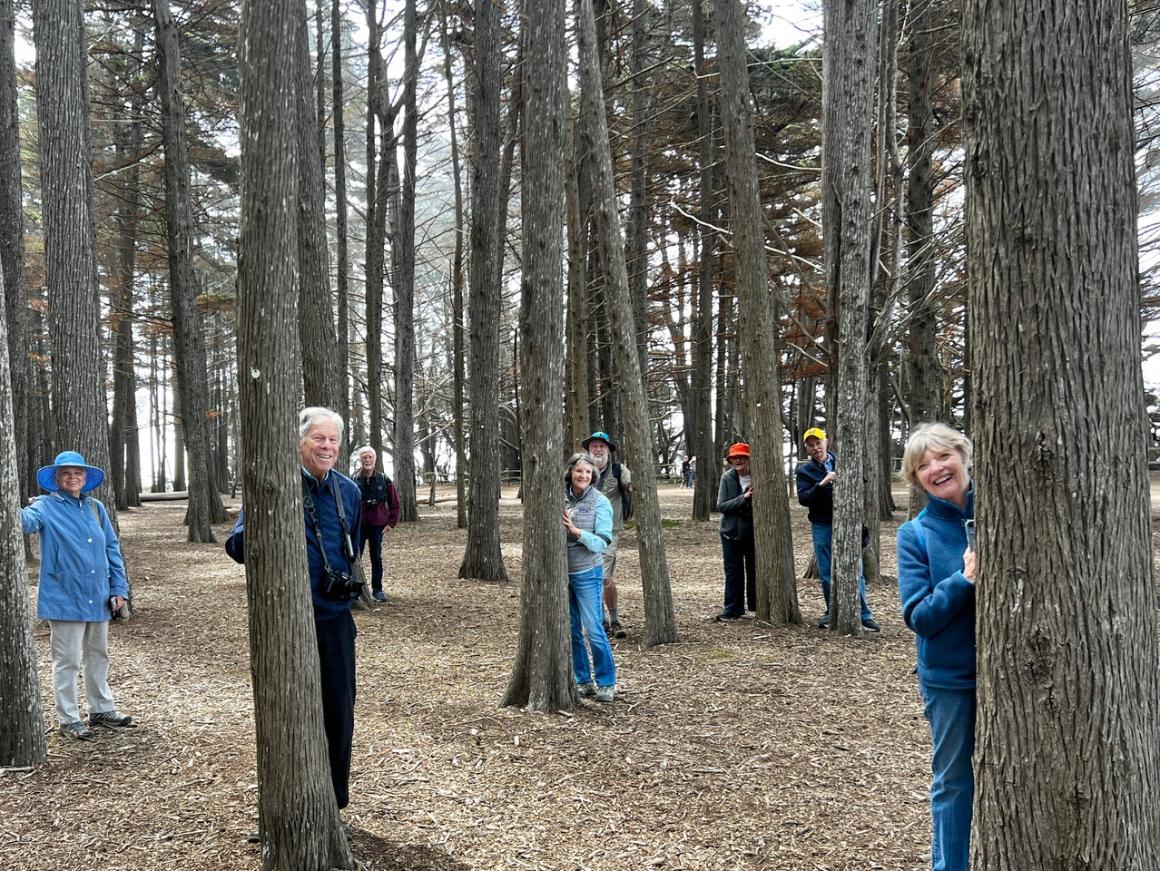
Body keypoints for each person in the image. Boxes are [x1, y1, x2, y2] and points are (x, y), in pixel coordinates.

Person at [226, 407, 363, 821]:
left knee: (339, 714)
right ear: (300, 442)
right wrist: (264, 525)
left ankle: (332, 806)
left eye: (333, 440)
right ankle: (283, 808)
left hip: (335, 621)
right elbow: (237, 549)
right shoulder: (274, 485)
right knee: (287, 715)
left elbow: (349, 548)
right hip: (287, 623)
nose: (327, 446)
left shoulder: (349, 492)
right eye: (318, 439)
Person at [896, 423, 976, 871]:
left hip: (1019, 674)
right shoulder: (916, 534)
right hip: (949, 680)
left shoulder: (1006, 511)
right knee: (954, 781)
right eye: (922, 465)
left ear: (964, 456)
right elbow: (919, 617)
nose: (935, 469)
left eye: (942, 456)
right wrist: (962, 581)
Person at [21, 450, 134, 740]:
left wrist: (119, 589)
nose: (73, 477)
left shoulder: (96, 508)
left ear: (85, 478)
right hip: (63, 596)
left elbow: (112, 548)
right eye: (66, 473)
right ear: (56, 478)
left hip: (98, 594)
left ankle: (101, 710)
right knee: (68, 660)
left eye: (78, 473)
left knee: (98, 655)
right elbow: (24, 523)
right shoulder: (45, 506)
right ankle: (69, 718)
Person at [795, 426, 879, 632]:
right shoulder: (804, 472)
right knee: (826, 572)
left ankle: (863, 614)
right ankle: (832, 611)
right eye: (811, 445)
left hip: (849, 523)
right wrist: (822, 484)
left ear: (827, 441)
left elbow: (863, 484)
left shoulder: (845, 462)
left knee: (855, 569)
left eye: (818, 443)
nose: (816, 448)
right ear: (807, 449)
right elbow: (804, 499)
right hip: (822, 524)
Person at [562, 451, 617, 703]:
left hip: (588, 573)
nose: (583, 475)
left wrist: (576, 532)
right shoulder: (560, 497)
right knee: (572, 630)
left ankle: (606, 682)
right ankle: (583, 680)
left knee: (594, 629)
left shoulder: (601, 502)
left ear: (593, 476)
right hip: (562, 575)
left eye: (587, 472)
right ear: (570, 473)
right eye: (578, 471)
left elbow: (603, 542)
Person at [581, 431, 632, 638]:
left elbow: (634, 488)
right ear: (588, 449)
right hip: (582, 533)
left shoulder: (620, 471)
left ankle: (613, 620)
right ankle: (598, 621)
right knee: (588, 577)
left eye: (602, 446)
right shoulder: (580, 471)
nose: (598, 449)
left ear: (609, 450)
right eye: (594, 445)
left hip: (609, 533)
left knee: (604, 576)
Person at [352, 445, 400, 603]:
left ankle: (377, 590)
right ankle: (355, 589)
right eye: (364, 457)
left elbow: (395, 504)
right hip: (358, 526)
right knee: (354, 557)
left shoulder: (384, 479)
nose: (367, 460)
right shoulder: (353, 479)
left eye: (370, 457)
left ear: (375, 459)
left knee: (376, 557)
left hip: (377, 525)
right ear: (360, 460)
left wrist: (390, 523)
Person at [715, 442, 755, 620]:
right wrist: (744, 498)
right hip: (730, 534)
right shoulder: (727, 478)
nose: (738, 461)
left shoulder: (758, 476)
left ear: (748, 459)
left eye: (741, 457)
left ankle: (756, 606)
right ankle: (732, 609)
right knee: (733, 572)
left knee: (754, 571)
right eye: (734, 458)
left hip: (753, 534)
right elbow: (721, 505)